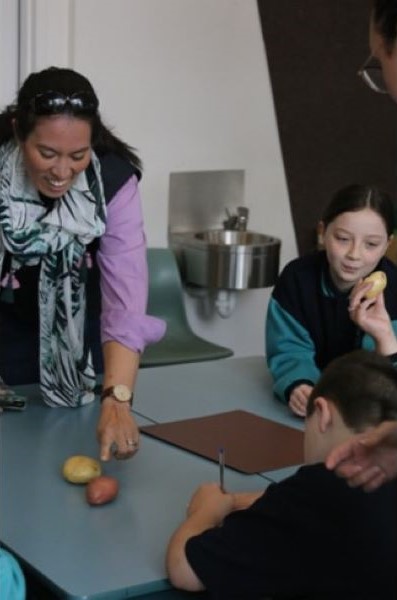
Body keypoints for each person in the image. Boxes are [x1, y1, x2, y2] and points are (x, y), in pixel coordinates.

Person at [0, 66, 166, 460]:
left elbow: (125, 301)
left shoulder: (112, 180)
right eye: (47, 153)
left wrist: (117, 401)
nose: (61, 172)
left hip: (75, 344)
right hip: (5, 330)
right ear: (18, 132)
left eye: (78, 155)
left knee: (60, 449)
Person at [166, 350, 397, 599]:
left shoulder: (314, 494)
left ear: (322, 413)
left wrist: (207, 511)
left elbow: (184, 570)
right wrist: (259, 500)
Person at [265, 183, 397, 417]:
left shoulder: (394, 288)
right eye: (343, 238)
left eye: (372, 244)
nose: (354, 254)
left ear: (388, 244)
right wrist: (299, 384)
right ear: (322, 232)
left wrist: (384, 337)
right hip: (319, 410)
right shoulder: (297, 279)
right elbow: (289, 349)